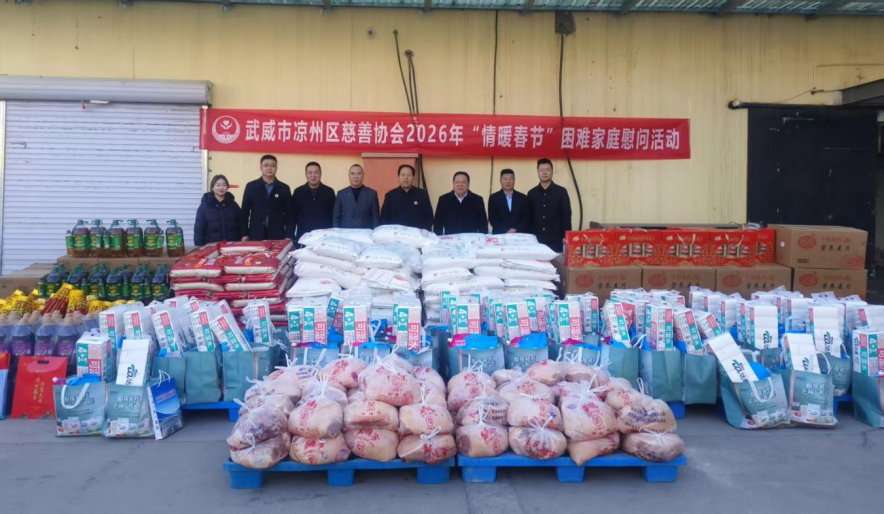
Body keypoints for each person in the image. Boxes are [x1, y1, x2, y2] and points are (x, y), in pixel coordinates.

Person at [240, 155, 293, 241]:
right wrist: (244, 234)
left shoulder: (284, 188)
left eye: (272, 165)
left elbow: (289, 214)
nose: (269, 168)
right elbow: (244, 212)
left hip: (278, 234)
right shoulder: (251, 186)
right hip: (256, 233)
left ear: (276, 168)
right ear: (260, 167)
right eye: (266, 165)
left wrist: (289, 235)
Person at [527, 158, 572, 252]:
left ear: (552, 171)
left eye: (547, 170)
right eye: (541, 170)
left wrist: (566, 236)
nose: (544, 173)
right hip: (536, 239)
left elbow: (566, 215)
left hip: (555, 239)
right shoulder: (531, 193)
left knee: (556, 261)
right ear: (537, 172)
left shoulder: (561, 192)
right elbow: (528, 217)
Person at [380, 164, 434, 231]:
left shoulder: (422, 195)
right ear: (398, 177)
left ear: (413, 177)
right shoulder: (390, 196)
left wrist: (423, 232)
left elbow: (429, 217)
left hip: (417, 235)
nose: (405, 178)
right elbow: (384, 218)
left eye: (409, 175)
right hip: (395, 235)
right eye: (403, 175)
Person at [433, 171, 488, 236]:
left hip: (471, 239)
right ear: (453, 184)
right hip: (450, 239)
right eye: (457, 182)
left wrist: (483, 238)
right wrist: (438, 239)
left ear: (468, 184)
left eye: (463, 182)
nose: (460, 185)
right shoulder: (444, 200)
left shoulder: (477, 200)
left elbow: (483, 224)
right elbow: (438, 224)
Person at [291, 161, 336, 239]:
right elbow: (293, 216)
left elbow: (333, 215)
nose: (313, 175)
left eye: (316, 173)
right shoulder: (298, 192)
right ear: (306, 174)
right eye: (310, 173)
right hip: (304, 235)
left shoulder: (329, 192)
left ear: (320, 174)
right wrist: (291, 235)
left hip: (324, 236)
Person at [194, 174, 242, 246]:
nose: (221, 188)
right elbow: (199, 230)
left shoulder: (233, 205)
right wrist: (199, 246)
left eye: (224, 185)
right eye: (218, 185)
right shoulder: (204, 206)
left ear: (227, 187)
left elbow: (241, 224)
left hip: (231, 246)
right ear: (212, 187)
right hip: (211, 246)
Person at [333, 164, 379, 229]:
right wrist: (337, 232)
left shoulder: (371, 194)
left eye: (359, 174)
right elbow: (336, 218)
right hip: (346, 232)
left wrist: (375, 232)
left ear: (363, 175)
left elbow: (375, 218)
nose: (355, 176)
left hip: (365, 232)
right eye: (352, 174)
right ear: (349, 176)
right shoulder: (341, 194)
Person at [488, 169, 530, 235]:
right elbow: (492, 219)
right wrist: (506, 230)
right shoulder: (494, 198)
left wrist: (515, 229)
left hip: (519, 234)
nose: (508, 181)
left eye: (510, 179)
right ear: (500, 181)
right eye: (505, 179)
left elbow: (526, 217)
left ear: (514, 180)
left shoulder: (523, 197)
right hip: (500, 234)